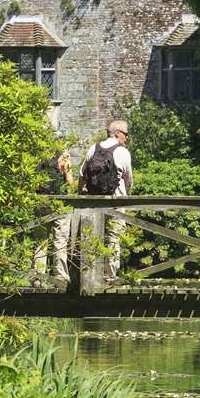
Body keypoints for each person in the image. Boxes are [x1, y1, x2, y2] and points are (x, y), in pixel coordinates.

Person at [80, 119, 133, 282]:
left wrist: (81, 197)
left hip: (94, 202)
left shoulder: (93, 149)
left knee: (93, 237)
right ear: (117, 133)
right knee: (113, 238)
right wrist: (128, 197)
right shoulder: (122, 152)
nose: (127, 138)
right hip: (116, 202)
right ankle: (110, 276)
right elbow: (128, 179)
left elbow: (82, 175)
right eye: (126, 134)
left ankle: (90, 276)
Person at [46, 149, 76, 286]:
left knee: (40, 241)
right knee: (60, 240)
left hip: (40, 201)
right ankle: (60, 277)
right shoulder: (63, 155)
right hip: (60, 201)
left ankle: (37, 277)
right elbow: (69, 181)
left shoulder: (38, 151)